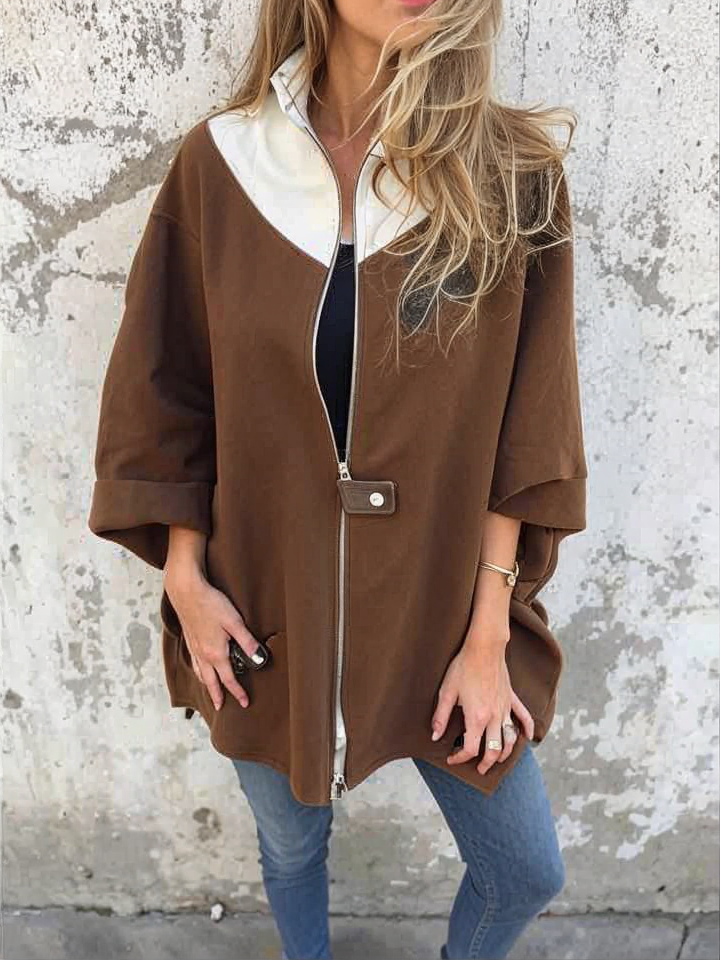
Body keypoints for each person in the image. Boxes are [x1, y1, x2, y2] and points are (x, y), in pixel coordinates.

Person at [88, 1, 588, 957]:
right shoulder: (224, 165)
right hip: (262, 604)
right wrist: (186, 581)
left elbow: (531, 431)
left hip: (446, 608)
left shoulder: (512, 176)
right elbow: (169, 389)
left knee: (524, 868)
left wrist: (489, 632)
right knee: (291, 844)